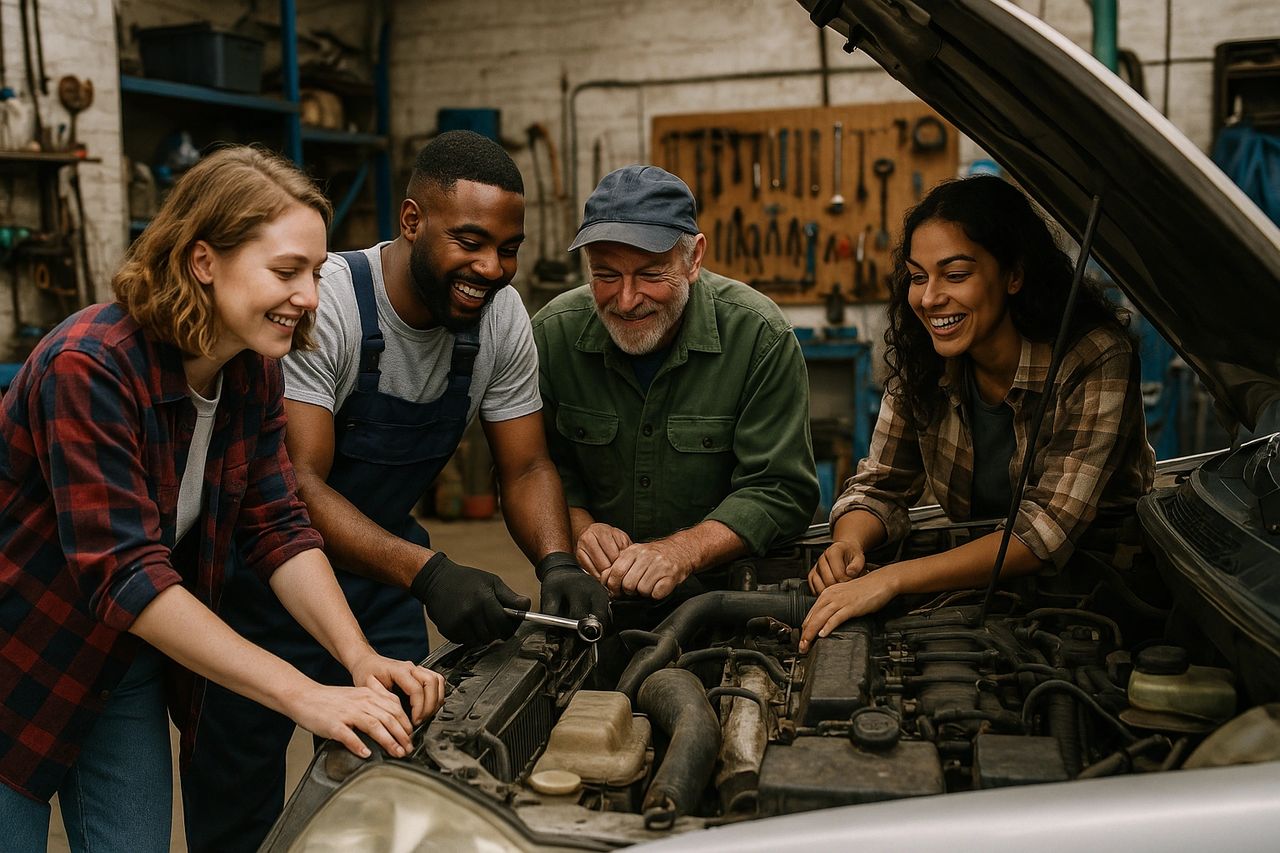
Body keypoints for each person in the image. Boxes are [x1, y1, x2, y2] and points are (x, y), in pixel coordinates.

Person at [0, 146, 444, 852]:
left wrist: (356, 656)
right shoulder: (88, 367)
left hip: (122, 663)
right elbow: (128, 573)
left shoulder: (251, 369)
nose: (310, 297)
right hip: (23, 659)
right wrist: (306, 692)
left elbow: (278, 525)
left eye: (317, 273)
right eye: (286, 271)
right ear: (203, 260)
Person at [183, 130, 608, 853]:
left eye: (508, 247)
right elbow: (296, 487)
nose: (491, 267)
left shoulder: (499, 317)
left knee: (398, 788)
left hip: (381, 591)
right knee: (237, 806)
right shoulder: (331, 304)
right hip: (261, 582)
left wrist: (557, 561)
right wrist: (431, 571)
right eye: (470, 240)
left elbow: (527, 467)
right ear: (412, 221)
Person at [801, 175, 1156, 651]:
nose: (929, 299)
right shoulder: (924, 362)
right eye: (919, 276)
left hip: (1103, 600)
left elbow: (1042, 532)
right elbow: (880, 487)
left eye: (955, 274)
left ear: (1013, 274)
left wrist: (893, 579)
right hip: (989, 596)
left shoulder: (1093, 358)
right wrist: (849, 543)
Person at [533, 165, 819, 604]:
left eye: (649, 274)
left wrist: (682, 551)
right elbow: (534, 469)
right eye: (606, 275)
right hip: (596, 600)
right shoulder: (553, 336)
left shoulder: (759, 336)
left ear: (694, 258)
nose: (626, 300)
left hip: (728, 601)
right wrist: (580, 526)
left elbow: (781, 488)